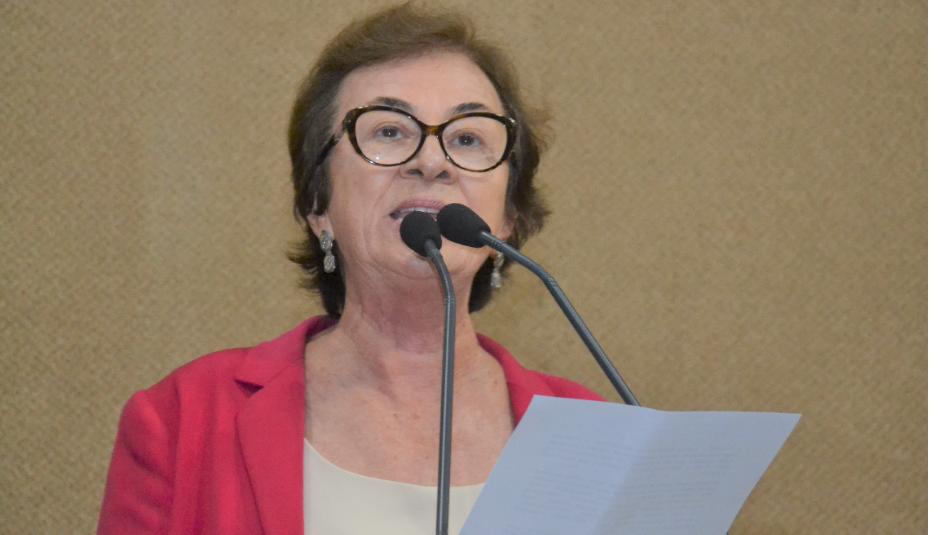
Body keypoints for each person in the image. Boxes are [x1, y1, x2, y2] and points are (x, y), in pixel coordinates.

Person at [98, 4, 603, 534]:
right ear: (318, 205)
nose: (432, 162)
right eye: (389, 131)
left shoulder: (595, 442)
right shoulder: (182, 419)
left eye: (467, 139)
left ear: (508, 218)